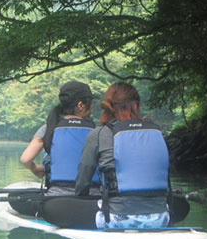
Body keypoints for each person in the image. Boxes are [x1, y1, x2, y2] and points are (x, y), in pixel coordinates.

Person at [42, 82, 172, 229]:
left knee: (51, 207)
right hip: (161, 217)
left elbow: (83, 181)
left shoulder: (99, 133)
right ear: (135, 106)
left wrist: (82, 198)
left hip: (117, 218)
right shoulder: (157, 132)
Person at [11, 81, 99, 216]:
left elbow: (25, 159)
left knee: (14, 197)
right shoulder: (97, 131)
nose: (92, 107)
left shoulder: (49, 128)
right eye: (90, 102)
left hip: (57, 202)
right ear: (81, 105)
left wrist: (35, 168)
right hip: (92, 200)